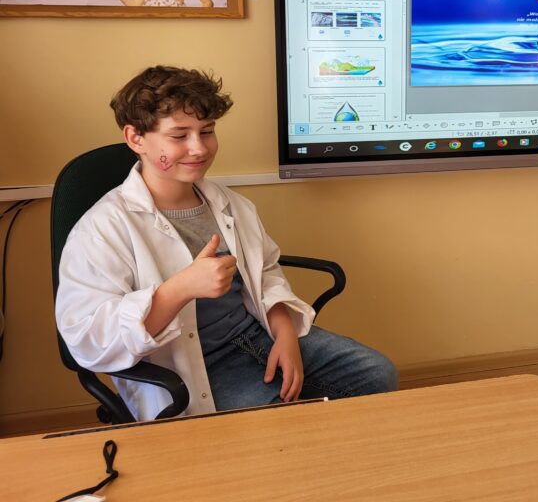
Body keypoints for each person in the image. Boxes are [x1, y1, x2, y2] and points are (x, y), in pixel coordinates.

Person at [56, 66, 397, 421]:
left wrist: (285, 336)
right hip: (192, 364)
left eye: (207, 131)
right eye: (179, 135)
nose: (198, 148)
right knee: (274, 426)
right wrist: (180, 289)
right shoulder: (102, 229)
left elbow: (266, 272)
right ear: (135, 138)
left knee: (376, 374)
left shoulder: (230, 204)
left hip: (255, 335)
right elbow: (88, 341)